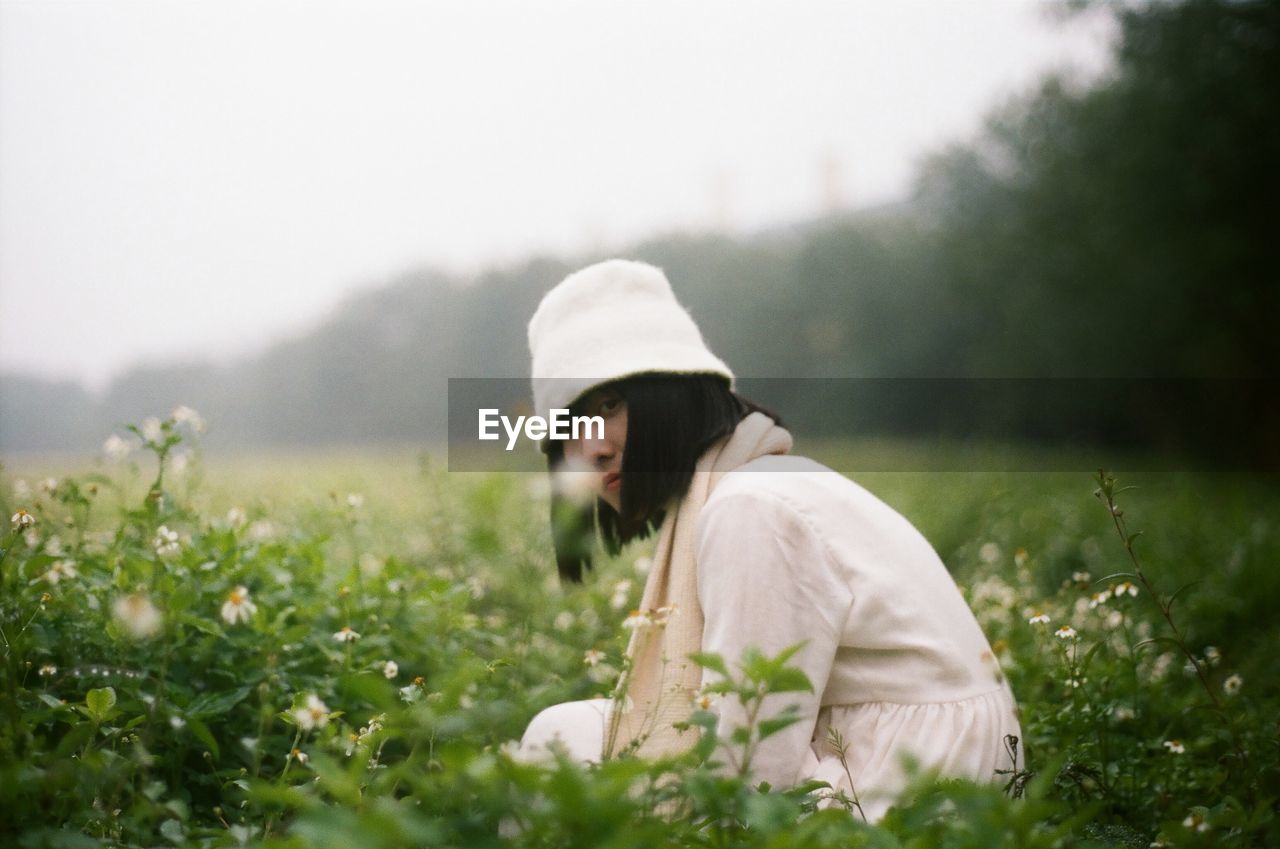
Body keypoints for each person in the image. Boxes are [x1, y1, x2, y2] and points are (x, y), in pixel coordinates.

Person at [515, 258, 1022, 822]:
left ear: (675, 395)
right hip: (933, 764)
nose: (593, 448)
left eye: (609, 405)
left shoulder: (749, 508)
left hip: (916, 783)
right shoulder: (753, 487)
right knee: (583, 734)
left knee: (564, 741)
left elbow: (752, 764)